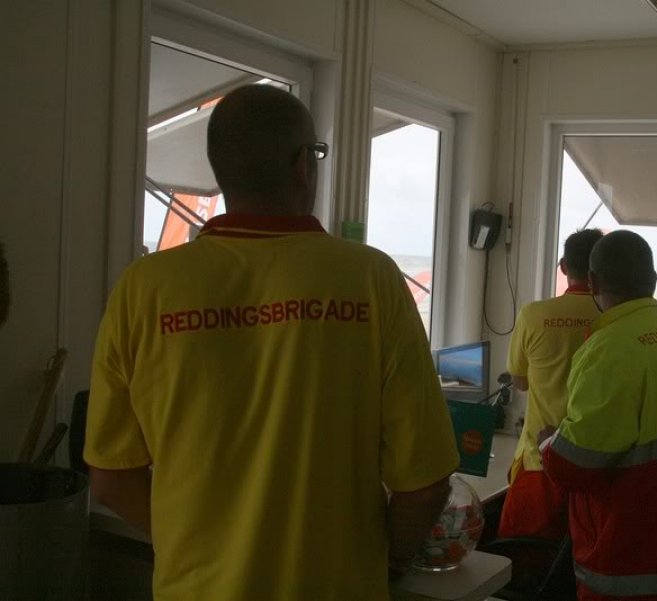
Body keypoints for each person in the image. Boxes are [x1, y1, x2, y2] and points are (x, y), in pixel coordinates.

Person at [85, 85, 459, 601]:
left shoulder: (142, 289)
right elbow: (425, 483)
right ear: (303, 165)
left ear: (221, 169)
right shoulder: (370, 280)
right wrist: (389, 559)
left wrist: (194, 543)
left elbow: (110, 476)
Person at [542, 230, 657, 601]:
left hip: (634, 569)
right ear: (654, 282)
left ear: (593, 281)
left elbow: (575, 466)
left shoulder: (608, 350)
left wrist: (548, 441)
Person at [498, 228, 603, 540]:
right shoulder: (612, 318)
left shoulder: (534, 314)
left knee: (521, 560)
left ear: (563, 267)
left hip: (538, 460)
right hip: (594, 462)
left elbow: (520, 382)